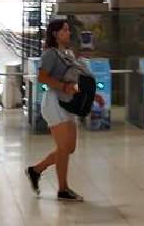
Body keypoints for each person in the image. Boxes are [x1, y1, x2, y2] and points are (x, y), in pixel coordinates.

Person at [25, 19, 104, 202]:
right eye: (65, 30)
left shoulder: (67, 53)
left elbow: (74, 80)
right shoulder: (50, 54)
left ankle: (36, 170)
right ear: (55, 34)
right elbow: (42, 77)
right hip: (55, 103)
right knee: (64, 147)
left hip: (67, 103)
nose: (69, 33)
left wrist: (93, 96)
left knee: (69, 148)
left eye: (68, 30)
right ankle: (63, 189)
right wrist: (62, 86)